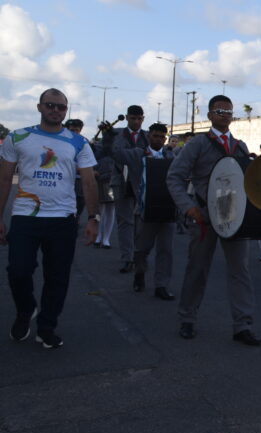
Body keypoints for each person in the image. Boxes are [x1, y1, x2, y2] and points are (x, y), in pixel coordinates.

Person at [1, 89, 99, 348]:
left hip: (62, 219)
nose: (56, 110)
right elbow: (3, 179)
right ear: (40, 107)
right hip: (25, 215)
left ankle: (46, 327)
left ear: (66, 111)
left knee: (57, 278)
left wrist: (93, 217)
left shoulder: (78, 142)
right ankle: (26, 309)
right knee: (18, 271)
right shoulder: (18, 137)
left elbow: (89, 181)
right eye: (50, 105)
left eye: (61, 107)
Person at [166, 95, 261, 345]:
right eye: (219, 110)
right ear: (209, 115)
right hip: (204, 216)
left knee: (240, 271)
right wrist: (188, 208)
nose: (225, 115)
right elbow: (174, 177)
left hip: (234, 216)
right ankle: (187, 318)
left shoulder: (240, 146)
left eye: (229, 111)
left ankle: (243, 325)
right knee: (197, 269)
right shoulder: (198, 143)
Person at [120, 122, 176, 300]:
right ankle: (140, 273)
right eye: (155, 136)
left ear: (165, 138)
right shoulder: (138, 154)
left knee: (166, 250)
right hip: (145, 210)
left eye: (161, 137)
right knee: (142, 249)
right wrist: (109, 137)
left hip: (167, 210)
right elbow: (117, 154)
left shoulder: (171, 156)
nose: (158, 139)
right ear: (149, 137)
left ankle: (161, 285)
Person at [108, 105, 148, 273]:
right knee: (125, 222)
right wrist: (140, 153)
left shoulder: (147, 135)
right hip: (121, 182)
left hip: (141, 184)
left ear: (143, 118)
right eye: (133, 118)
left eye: (139, 119)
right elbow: (116, 153)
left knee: (141, 223)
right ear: (127, 117)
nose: (136, 122)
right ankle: (127, 258)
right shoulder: (117, 134)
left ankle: (138, 255)